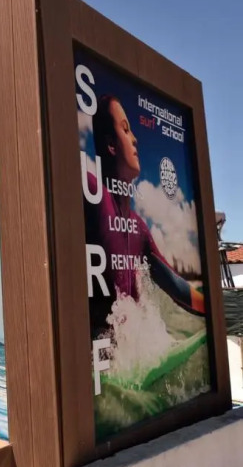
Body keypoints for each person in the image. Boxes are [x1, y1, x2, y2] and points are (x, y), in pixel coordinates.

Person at [86, 94, 204, 336]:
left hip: (131, 349)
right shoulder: (91, 191)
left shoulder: (138, 227)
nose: (135, 138)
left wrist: (213, 309)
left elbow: (176, 286)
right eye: (126, 130)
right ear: (111, 145)